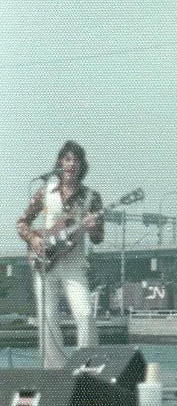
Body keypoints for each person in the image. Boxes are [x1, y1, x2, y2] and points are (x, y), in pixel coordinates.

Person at [16, 141, 104, 369]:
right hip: (45, 264)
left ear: (82, 165)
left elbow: (98, 237)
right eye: (67, 159)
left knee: (84, 315)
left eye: (76, 160)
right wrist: (34, 239)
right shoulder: (44, 192)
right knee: (47, 321)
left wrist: (93, 227)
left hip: (74, 265)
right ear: (60, 163)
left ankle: (86, 369)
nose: (71, 164)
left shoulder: (91, 197)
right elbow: (22, 222)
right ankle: (54, 372)